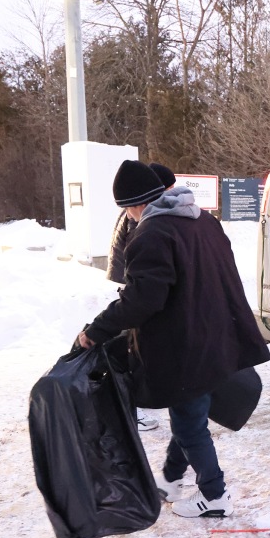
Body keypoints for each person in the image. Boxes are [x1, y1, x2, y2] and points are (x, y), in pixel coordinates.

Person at [78, 159, 270, 517]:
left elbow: (142, 300)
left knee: (188, 421)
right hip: (216, 334)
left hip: (186, 345)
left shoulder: (151, 235)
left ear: (134, 205)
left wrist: (96, 331)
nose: (129, 218)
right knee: (189, 413)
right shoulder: (203, 221)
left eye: (127, 211)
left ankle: (214, 497)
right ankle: (169, 479)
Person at [106, 162, 177, 433]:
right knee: (133, 351)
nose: (169, 193)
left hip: (132, 283)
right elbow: (142, 263)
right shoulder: (140, 218)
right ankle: (132, 410)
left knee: (134, 348)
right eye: (167, 188)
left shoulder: (140, 213)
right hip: (132, 284)